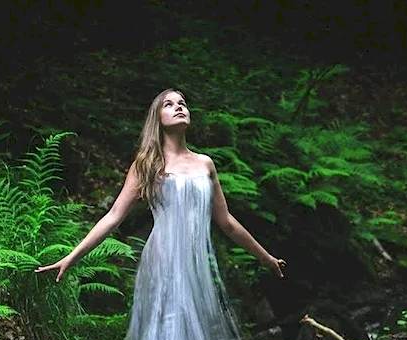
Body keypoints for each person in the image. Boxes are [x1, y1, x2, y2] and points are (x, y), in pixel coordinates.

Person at [34, 88, 286, 283]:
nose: (179, 107)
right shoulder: (147, 165)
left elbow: (227, 222)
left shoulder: (205, 164)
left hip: (195, 262)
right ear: (157, 118)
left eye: (182, 104)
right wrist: (71, 258)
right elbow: (113, 217)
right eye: (169, 104)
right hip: (161, 259)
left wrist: (266, 258)